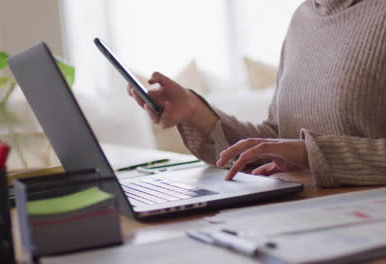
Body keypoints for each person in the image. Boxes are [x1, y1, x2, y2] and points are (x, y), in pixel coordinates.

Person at [128, 0, 386, 187]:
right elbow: (279, 138)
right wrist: (195, 110)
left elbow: (301, 150)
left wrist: (313, 154)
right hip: (306, 212)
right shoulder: (304, 17)